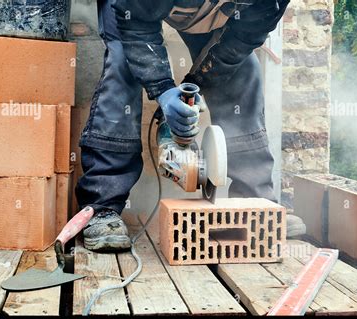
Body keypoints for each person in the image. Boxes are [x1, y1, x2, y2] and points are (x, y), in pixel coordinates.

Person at [76, 0, 305, 252]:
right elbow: (136, 27)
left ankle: (255, 202)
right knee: (123, 65)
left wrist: (194, 86)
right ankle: (102, 207)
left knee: (241, 70)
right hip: (132, 10)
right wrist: (163, 91)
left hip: (208, 11)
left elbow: (241, 40)